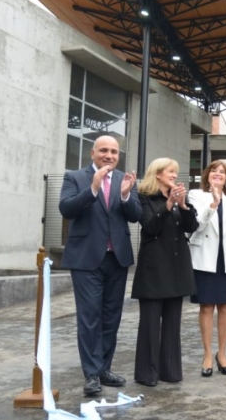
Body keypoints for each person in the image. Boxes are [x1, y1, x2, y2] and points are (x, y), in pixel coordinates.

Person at [58, 135, 141, 396]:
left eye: (114, 152)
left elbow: (136, 215)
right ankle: (91, 374)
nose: (109, 155)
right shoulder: (75, 177)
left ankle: (104, 368)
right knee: (89, 317)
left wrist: (127, 196)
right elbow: (66, 209)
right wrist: (92, 189)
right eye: (104, 150)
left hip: (116, 259)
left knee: (111, 317)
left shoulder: (123, 180)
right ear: (93, 153)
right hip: (86, 259)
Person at [131, 158, 198, 386]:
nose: (174, 176)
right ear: (157, 173)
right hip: (153, 269)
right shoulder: (144, 197)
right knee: (150, 324)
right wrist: (168, 205)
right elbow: (149, 227)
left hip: (177, 268)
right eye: (171, 171)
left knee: (172, 323)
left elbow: (192, 226)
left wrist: (183, 205)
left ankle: (170, 371)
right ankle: (146, 373)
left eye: (175, 172)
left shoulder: (180, 196)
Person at [188, 160, 226, 377]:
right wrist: (213, 204)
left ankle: (222, 354)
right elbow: (198, 225)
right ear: (207, 175)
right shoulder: (196, 195)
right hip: (205, 256)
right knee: (205, 307)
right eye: (214, 170)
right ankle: (207, 355)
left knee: (225, 307)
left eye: (222, 172)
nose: (218, 174)